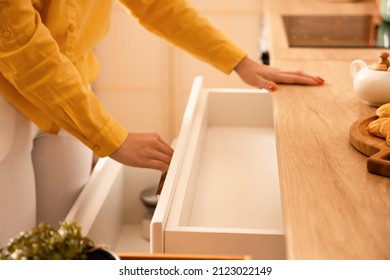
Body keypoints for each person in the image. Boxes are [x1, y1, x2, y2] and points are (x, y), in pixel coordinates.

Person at [0, 0, 324, 247]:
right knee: (13, 248)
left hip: (70, 87)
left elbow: (154, 4)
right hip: (6, 101)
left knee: (66, 238)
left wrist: (239, 61)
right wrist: (111, 138)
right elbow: (19, 41)